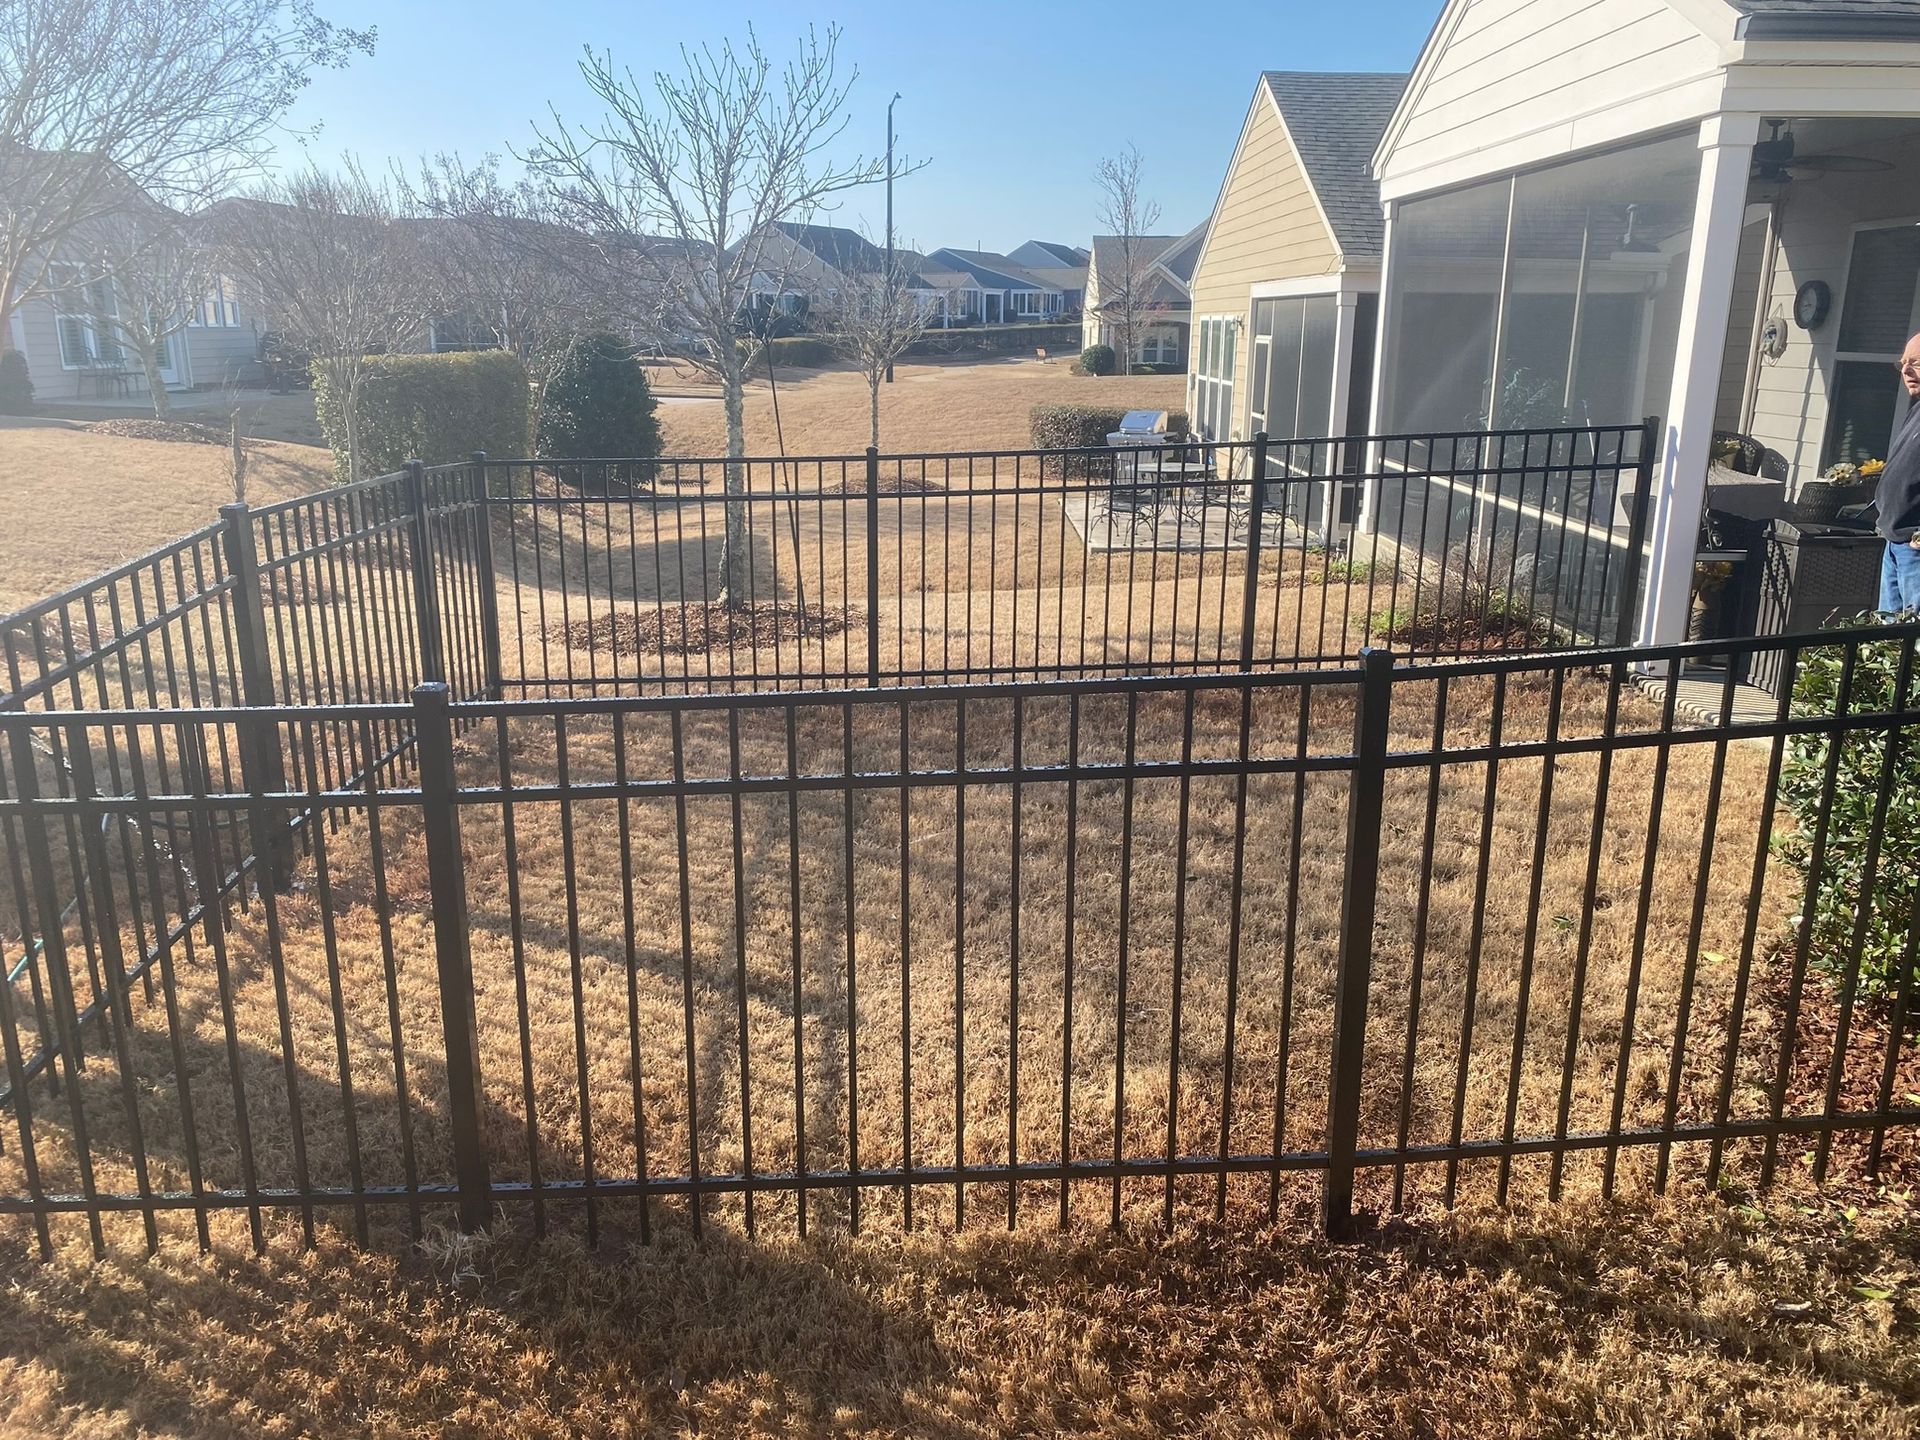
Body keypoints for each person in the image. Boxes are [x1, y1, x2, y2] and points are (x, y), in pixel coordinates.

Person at [1874, 331, 1920, 614]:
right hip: (1894, 540)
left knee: (1912, 641)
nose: (1906, 370)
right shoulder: (1916, 406)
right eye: (1903, 362)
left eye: (1917, 362)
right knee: (1885, 640)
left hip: (1916, 548)